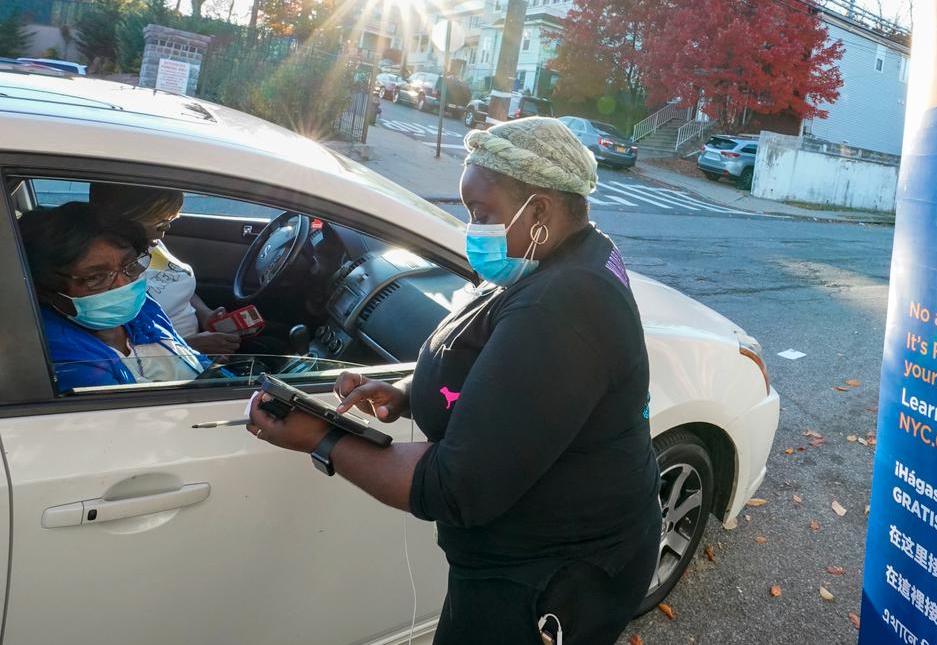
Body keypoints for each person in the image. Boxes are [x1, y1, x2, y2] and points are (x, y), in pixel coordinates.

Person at [247, 117, 661, 645]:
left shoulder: (563, 304)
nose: (472, 229)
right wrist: (407, 394)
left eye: (482, 214)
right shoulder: (552, 258)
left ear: (539, 211)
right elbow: (505, 375)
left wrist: (321, 439)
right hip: (531, 557)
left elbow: (456, 486)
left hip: (549, 576)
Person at [19, 202, 211, 393]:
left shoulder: (143, 308)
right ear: (46, 289)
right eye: (96, 277)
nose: (124, 284)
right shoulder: (64, 360)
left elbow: (189, 357)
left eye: (130, 265)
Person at [88, 183, 243, 357]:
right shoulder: (108, 268)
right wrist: (190, 346)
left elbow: (172, 279)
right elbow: (123, 351)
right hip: (171, 360)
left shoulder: (150, 243)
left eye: (170, 219)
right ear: (126, 216)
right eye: (161, 221)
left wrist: (205, 314)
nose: (167, 227)